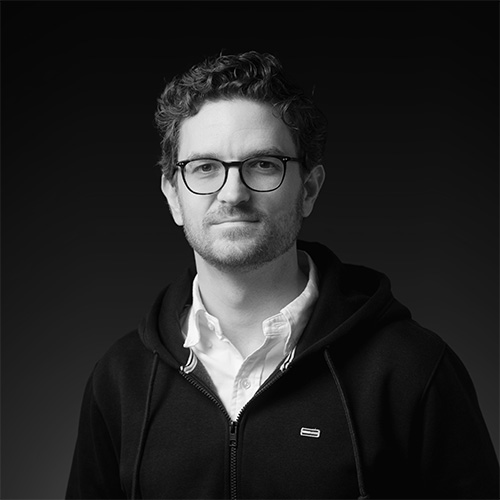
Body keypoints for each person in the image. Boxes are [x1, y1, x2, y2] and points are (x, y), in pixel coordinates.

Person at [66, 51, 499, 500]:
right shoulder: (121, 379)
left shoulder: (412, 368)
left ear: (308, 189)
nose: (232, 194)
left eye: (263, 165)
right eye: (204, 168)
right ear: (173, 195)